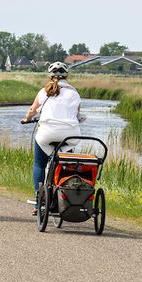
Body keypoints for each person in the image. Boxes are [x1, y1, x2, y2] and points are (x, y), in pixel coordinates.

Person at [23, 61, 86, 210]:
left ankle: (39, 201)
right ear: (67, 76)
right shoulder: (74, 93)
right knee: (66, 163)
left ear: (50, 76)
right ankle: (65, 196)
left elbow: (32, 110)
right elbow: (77, 114)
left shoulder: (44, 91)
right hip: (69, 136)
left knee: (39, 164)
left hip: (47, 133)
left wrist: (27, 118)